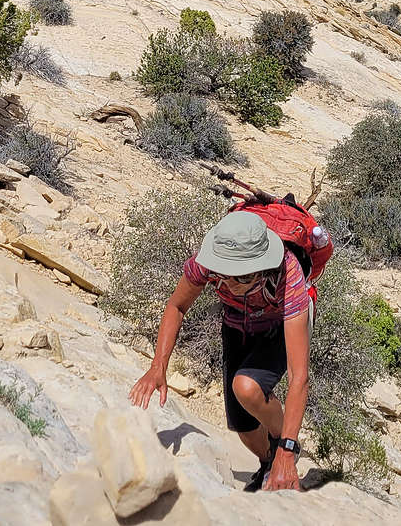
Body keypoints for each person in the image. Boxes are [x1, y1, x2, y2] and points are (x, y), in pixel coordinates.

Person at [129, 210, 311, 492]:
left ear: (258, 270)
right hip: (237, 325)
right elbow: (177, 306)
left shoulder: (288, 276)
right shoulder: (209, 264)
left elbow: (299, 377)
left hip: (278, 328)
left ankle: (280, 447)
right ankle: (267, 463)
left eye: (234, 278)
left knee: (247, 388)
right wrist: (158, 367)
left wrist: (287, 449)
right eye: (221, 274)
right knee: (243, 426)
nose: (223, 282)